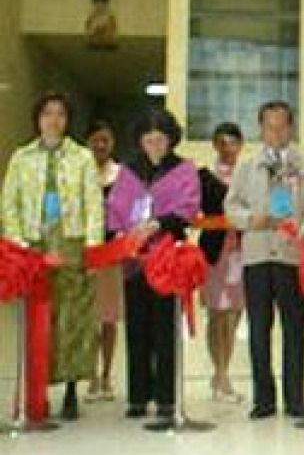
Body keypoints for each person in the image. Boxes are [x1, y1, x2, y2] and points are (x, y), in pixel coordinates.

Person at [225, 101, 304, 420]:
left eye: (282, 126)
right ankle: (264, 399)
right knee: (259, 329)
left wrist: (303, 230)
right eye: (270, 127)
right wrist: (249, 219)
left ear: (291, 127)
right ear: (261, 129)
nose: (276, 133)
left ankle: (295, 399)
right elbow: (231, 206)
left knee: (294, 329)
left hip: (291, 256)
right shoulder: (247, 165)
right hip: (257, 256)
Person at [2, 93, 104, 422]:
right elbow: (9, 204)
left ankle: (71, 389)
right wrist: (18, 246)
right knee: (38, 320)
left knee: (73, 319)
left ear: (67, 120)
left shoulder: (82, 157)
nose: (53, 120)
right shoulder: (21, 158)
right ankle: (37, 391)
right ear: (37, 118)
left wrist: (93, 250)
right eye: (47, 113)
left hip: (72, 242)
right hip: (34, 245)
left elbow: (94, 204)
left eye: (60, 114)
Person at [107, 107, 200, 427]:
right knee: (137, 327)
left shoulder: (184, 169)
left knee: (164, 328)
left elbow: (188, 208)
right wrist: (122, 233)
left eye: (160, 139)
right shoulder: (129, 171)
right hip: (134, 260)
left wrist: (157, 223)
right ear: (140, 141)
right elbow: (115, 209)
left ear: (171, 139)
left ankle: (165, 396)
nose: (154, 146)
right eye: (148, 140)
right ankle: (137, 395)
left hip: (167, 258)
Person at [199, 122, 246, 403]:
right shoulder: (204, 177)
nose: (227, 149)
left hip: (242, 252)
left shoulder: (249, 175)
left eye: (232, 143)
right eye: (222, 143)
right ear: (215, 146)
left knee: (235, 313)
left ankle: (223, 370)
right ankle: (220, 373)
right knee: (217, 314)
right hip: (214, 252)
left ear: (240, 145)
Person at [84, 120, 123, 403]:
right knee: (88, 319)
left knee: (109, 318)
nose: (100, 145)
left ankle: (107, 375)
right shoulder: (79, 172)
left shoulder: (121, 174)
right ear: (87, 143)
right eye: (95, 140)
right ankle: (91, 376)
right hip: (84, 253)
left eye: (105, 140)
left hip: (111, 254)